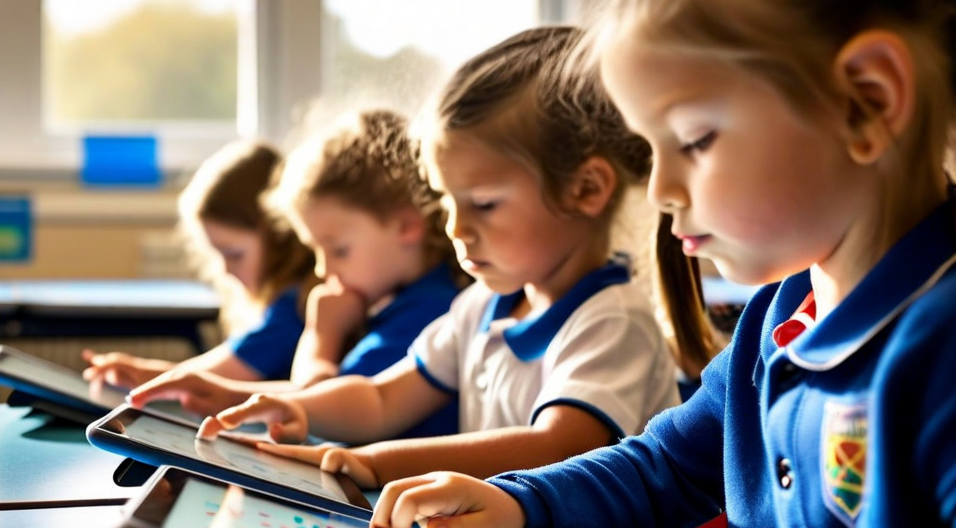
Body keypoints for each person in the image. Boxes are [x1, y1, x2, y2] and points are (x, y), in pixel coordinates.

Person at [371, 2, 956, 528]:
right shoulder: (778, 318)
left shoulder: (944, 343)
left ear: (866, 103)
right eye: (653, 148)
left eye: (696, 140)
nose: (659, 190)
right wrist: (522, 502)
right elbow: (665, 468)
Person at [199, 26, 716, 489]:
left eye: (484, 204)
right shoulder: (481, 306)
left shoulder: (612, 321)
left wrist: (375, 463)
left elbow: (556, 448)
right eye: (447, 202)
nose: (455, 229)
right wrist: (293, 406)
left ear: (586, 189)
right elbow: (381, 399)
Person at [129, 110, 465, 440]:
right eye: (315, 250)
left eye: (339, 250)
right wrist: (227, 394)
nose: (322, 269)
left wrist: (323, 334)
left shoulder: (428, 313)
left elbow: (319, 403)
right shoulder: (396, 303)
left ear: (406, 226)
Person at [83, 140, 315, 389]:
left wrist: (141, 374)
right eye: (218, 255)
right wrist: (140, 372)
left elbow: (222, 373)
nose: (226, 270)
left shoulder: (293, 307)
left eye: (235, 255)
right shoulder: (280, 300)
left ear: (281, 240)